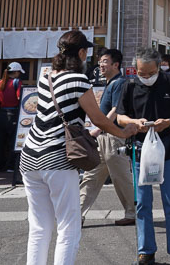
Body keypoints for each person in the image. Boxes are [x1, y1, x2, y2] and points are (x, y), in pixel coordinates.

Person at [20, 31, 137, 265]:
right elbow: (99, 119)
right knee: (68, 225)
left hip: (30, 156)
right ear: (82, 53)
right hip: (57, 159)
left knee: (40, 226)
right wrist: (124, 132)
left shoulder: (47, 76)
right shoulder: (79, 80)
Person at [117, 51, 170, 265]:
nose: (146, 76)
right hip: (140, 151)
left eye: (150, 73)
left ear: (159, 67)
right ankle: (145, 251)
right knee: (142, 203)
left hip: (167, 149)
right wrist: (134, 122)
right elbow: (120, 117)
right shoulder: (129, 86)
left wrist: (168, 122)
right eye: (141, 73)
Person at [79, 48, 136, 226]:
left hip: (113, 137)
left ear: (115, 65)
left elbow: (116, 109)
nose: (100, 65)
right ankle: (76, 213)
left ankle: (133, 213)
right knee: (91, 176)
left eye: (104, 61)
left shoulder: (119, 83)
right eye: (100, 61)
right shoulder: (111, 82)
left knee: (121, 177)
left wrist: (98, 130)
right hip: (104, 137)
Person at [0, 61, 24, 172]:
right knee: (12, 141)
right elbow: (20, 97)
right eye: (19, 72)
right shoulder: (16, 82)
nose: (19, 74)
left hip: (1, 114)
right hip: (13, 114)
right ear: (15, 72)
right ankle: (10, 166)